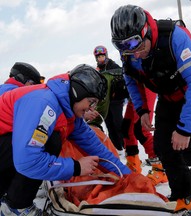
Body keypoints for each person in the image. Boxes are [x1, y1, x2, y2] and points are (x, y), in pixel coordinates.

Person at [110, 5, 191, 214]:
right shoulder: (129, 52)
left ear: (146, 32)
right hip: (168, 95)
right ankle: (182, 194)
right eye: (126, 49)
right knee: (163, 145)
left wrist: (185, 129)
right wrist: (142, 110)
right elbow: (131, 79)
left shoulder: (174, 38)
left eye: (138, 46)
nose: (136, 55)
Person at [0, 64, 131, 215]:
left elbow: (97, 148)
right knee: (51, 142)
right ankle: (16, 206)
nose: (92, 108)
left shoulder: (69, 114)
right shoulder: (45, 103)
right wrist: (76, 167)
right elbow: (28, 161)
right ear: (78, 92)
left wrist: (128, 176)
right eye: (92, 101)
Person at [122, 87, 168, 186]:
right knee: (127, 127)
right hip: (135, 87)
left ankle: (159, 168)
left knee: (142, 129)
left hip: (145, 84)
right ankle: (133, 164)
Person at [92, 45, 126, 152]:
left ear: (106, 56)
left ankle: (125, 146)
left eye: (102, 56)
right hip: (105, 102)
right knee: (109, 124)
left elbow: (121, 76)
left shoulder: (113, 66)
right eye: (98, 57)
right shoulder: (97, 70)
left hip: (116, 100)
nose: (100, 59)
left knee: (118, 123)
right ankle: (116, 147)